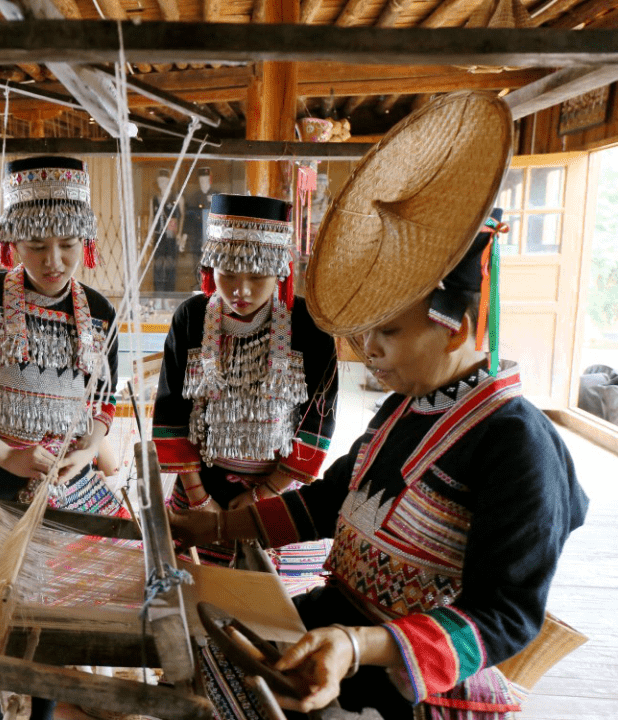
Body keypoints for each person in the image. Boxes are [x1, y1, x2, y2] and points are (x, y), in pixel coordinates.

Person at [170, 93, 590, 719]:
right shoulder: (407, 408)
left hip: (411, 681)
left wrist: (356, 645)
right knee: (199, 662)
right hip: (339, 634)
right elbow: (332, 497)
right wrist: (210, 527)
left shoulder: (518, 444)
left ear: (455, 325)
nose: (368, 351)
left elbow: (506, 616)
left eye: (387, 333)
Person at [0, 155, 121, 720]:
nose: (54, 260)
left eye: (66, 244)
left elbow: (103, 403)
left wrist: (86, 451)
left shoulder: (102, 312)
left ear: (84, 238)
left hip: (63, 492)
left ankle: (43, 708)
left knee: (50, 621)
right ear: (12, 241)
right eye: (36, 246)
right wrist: (5, 452)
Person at [152, 193, 338, 574]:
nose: (242, 290)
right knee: (193, 588)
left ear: (281, 271)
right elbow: (172, 412)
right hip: (200, 488)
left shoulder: (310, 328)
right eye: (228, 274)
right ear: (209, 267)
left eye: (257, 277)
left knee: (278, 605)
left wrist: (267, 492)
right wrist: (201, 499)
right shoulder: (191, 317)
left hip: (280, 488)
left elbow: (317, 423)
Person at [151, 168, 185, 292]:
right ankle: (158, 292)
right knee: (158, 264)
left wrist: (180, 234)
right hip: (158, 235)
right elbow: (151, 218)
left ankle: (170, 292)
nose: (162, 184)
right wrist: (149, 237)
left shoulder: (177, 198)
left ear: (169, 181)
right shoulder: (154, 199)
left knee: (171, 264)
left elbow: (182, 217)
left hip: (171, 236)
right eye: (160, 181)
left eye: (165, 181)